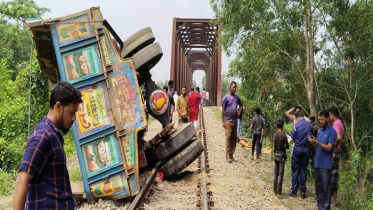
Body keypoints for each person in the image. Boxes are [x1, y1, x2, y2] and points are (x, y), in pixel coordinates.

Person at [13, 81, 82, 210]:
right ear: (58, 107)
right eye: (71, 112)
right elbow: (22, 180)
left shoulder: (53, 135)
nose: (73, 118)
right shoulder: (43, 136)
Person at [308, 109, 336, 210]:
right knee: (318, 190)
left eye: (322, 119)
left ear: (328, 118)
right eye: (319, 119)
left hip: (325, 166)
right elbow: (318, 147)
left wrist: (318, 143)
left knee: (326, 191)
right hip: (317, 164)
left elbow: (329, 148)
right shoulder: (320, 131)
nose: (320, 121)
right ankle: (320, 208)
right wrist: (313, 142)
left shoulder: (332, 132)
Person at [289, 111, 313, 199]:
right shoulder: (310, 125)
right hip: (306, 149)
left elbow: (293, 138)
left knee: (295, 170)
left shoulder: (296, 126)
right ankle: (303, 191)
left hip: (298, 149)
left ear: (297, 117)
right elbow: (311, 137)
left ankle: (294, 191)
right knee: (303, 170)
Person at [222, 81, 243, 163]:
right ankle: (227, 155)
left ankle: (231, 154)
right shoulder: (226, 97)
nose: (235, 89)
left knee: (234, 139)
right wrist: (223, 121)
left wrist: (239, 111)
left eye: (235, 88)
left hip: (235, 121)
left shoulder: (236, 98)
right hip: (228, 121)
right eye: (233, 87)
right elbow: (223, 110)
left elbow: (241, 105)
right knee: (228, 138)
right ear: (230, 87)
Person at [329, 107, 344, 207]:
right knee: (334, 176)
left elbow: (338, 137)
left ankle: (331, 200)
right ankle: (333, 201)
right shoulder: (340, 123)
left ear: (332, 115)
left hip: (334, 153)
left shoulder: (336, 124)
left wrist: (334, 146)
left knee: (331, 176)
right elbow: (343, 137)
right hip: (337, 152)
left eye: (329, 115)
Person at [273, 119, 289, 199]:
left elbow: (274, 145)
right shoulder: (284, 135)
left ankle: (275, 190)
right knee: (280, 174)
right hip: (281, 155)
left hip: (275, 154)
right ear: (283, 126)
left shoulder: (275, 134)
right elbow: (287, 146)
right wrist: (284, 146)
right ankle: (279, 192)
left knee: (275, 173)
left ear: (277, 126)